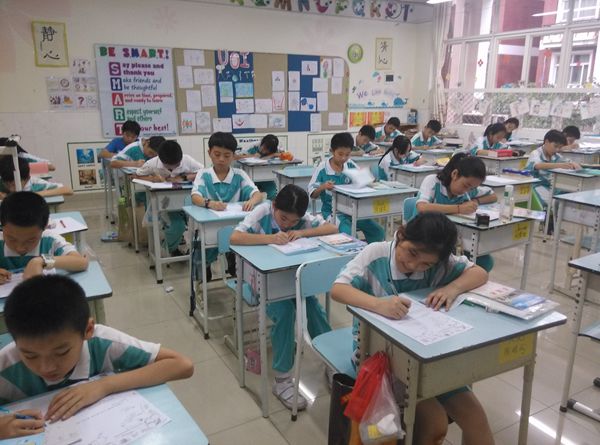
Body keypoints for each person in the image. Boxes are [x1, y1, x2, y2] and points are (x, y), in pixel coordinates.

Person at [331, 212, 493, 445]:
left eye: (426, 264)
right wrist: (379, 304)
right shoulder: (376, 254)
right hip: (379, 358)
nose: (413, 265)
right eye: (411, 252)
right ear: (401, 235)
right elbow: (338, 290)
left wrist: (453, 288)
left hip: (430, 355)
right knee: (435, 422)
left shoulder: (441, 262)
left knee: (476, 419)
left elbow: (480, 273)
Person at [0, 275, 194, 439]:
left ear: (88, 330)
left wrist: (104, 385)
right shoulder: (6, 364)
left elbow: (181, 365)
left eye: (61, 352)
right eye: (30, 355)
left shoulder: (102, 343)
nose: (46, 367)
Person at [230, 184, 338, 411]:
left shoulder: (301, 219)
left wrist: (302, 232)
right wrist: (270, 238)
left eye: (293, 221)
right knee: (286, 312)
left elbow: (332, 228)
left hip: (291, 279)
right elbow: (235, 237)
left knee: (312, 307)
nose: (287, 224)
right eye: (283, 218)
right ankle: (282, 380)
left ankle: (332, 361)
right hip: (261, 281)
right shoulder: (262, 211)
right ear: (274, 206)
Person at [191, 131, 263, 279]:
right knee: (206, 247)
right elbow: (195, 196)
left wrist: (252, 201)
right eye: (217, 154)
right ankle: (205, 266)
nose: (221, 159)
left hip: (235, 224)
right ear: (209, 153)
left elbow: (257, 194)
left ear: (233, 156)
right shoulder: (203, 174)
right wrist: (209, 203)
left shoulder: (239, 175)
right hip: (210, 224)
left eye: (227, 155)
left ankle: (234, 260)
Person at [416, 153, 496, 271]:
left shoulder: (466, 190)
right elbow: (422, 207)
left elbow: (493, 196)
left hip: (453, 239)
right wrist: (459, 208)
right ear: (454, 174)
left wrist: (476, 201)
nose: (467, 190)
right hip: (428, 237)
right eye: (466, 185)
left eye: (471, 188)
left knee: (485, 261)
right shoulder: (433, 181)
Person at [309, 133, 385, 244]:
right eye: (340, 154)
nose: (344, 158)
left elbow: (363, 178)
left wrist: (367, 179)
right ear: (332, 151)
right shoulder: (322, 168)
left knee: (377, 231)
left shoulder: (349, 164)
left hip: (353, 210)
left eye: (347, 154)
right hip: (332, 213)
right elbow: (312, 193)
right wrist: (323, 186)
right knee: (348, 234)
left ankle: (371, 253)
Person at [136, 140, 203, 256]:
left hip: (186, 203)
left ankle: (179, 247)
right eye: (169, 166)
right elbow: (137, 175)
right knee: (177, 226)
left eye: (177, 165)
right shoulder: (152, 163)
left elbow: (204, 172)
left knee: (197, 225)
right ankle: (167, 249)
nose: (173, 168)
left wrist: (184, 177)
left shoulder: (187, 160)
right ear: (161, 160)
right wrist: (153, 179)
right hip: (164, 205)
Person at [0, 192, 88, 280]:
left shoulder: (49, 240)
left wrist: (42, 261)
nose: (20, 248)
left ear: (45, 227)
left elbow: (82, 262)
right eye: (11, 239)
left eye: (30, 240)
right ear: (1, 226)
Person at [525, 129, 581, 208]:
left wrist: (574, 164)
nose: (557, 150)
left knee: (568, 196)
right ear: (546, 142)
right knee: (556, 203)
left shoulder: (555, 155)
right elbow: (538, 165)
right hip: (536, 186)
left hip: (550, 185)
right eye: (555, 146)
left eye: (560, 147)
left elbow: (568, 162)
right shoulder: (536, 153)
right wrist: (560, 165)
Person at [235, 134, 280, 200]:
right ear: (262, 143)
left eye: (268, 150)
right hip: (251, 176)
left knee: (272, 192)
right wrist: (252, 156)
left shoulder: (275, 148)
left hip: (266, 177)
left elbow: (284, 155)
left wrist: (272, 155)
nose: (264, 151)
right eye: (264, 148)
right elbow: (236, 157)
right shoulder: (253, 146)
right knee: (250, 193)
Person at [0, 157, 72, 198]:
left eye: (14, 185)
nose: (11, 189)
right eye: (7, 184)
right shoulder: (4, 179)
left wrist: (31, 195)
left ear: (27, 178)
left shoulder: (35, 184)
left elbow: (68, 190)